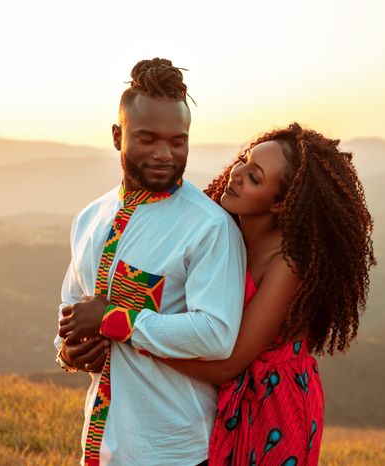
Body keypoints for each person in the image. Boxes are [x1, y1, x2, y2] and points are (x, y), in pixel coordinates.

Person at [54, 58, 246, 466]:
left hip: (174, 449)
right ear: (117, 135)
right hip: (103, 442)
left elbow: (216, 334)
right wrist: (70, 353)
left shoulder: (209, 226)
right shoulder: (90, 218)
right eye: (148, 139)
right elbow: (72, 308)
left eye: (178, 141)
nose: (165, 154)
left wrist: (114, 320)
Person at [159, 123, 377, 465]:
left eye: (255, 178)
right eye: (244, 160)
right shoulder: (223, 229)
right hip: (230, 395)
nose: (237, 173)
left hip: (275, 404)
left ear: (280, 204)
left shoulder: (287, 265)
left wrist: (131, 335)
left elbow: (227, 365)